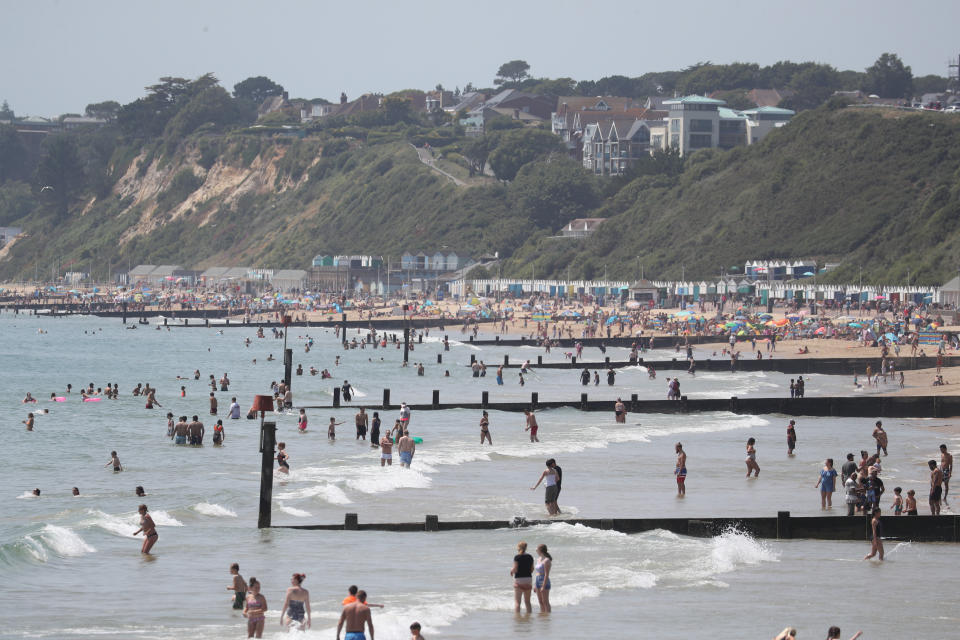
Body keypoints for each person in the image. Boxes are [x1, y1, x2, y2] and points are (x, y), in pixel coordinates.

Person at [510, 541, 534, 613]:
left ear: (518, 548)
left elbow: (515, 569)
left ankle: (517, 618)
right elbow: (532, 569)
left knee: (517, 602)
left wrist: (511, 571)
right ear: (526, 548)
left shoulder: (517, 557)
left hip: (519, 579)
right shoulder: (530, 557)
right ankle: (529, 617)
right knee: (527, 602)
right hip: (528, 579)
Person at [534, 543, 552, 613]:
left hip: (544, 580)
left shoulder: (547, 560)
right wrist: (535, 585)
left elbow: (546, 574)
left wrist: (543, 586)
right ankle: (543, 615)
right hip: (538, 579)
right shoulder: (538, 559)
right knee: (540, 601)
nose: (536, 551)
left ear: (540, 550)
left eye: (537, 549)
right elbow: (537, 573)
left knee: (545, 601)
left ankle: (548, 616)